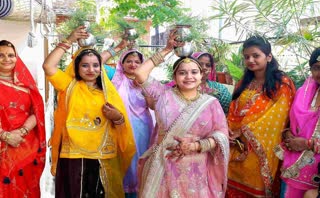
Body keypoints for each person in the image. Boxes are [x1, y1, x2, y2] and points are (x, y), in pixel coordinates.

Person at [42, 26, 136, 198]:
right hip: (73, 156)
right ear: (77, 68)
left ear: (101, 68)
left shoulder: (108, 92)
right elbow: (48, 66)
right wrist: (69, 40)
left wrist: (118, 118)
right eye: (85, 65)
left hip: (102, 157)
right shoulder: (69, 86)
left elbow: (121, 123)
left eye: (95, 65)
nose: (91, 70)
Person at [135, 30, 230, 197]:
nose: (189, 76)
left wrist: (196, 146)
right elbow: (140, 74)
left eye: (194, 72)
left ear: (201, 75)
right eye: (182, 72)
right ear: (175, 76)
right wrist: (167, 49)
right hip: (163, 167)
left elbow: (221, 135)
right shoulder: (162, 95)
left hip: (197, 171)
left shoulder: (211, 103)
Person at [226, 35, 296, 197]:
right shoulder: (243, 82)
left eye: (256, 55)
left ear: (269, 57)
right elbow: (233, 109)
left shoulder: (282, 84)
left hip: (260, 150)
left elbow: (276, 120)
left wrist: (242, 133)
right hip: (234, 146)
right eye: (246, 57)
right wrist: (227, 131)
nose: (250, 60)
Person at [0, 40, 46, 197]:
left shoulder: (27, 84)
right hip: (2, 147)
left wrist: (22, 131)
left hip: (26, 145)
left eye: (11, 55)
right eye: (1, 55)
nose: (6, 59)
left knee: (25, 188)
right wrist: (5, 136)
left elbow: (37, 111)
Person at [275, 47, 320, 198]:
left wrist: (308, 144)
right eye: (316, 68)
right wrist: (288, 133)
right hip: (293, 165)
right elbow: (293, 122)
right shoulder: (304, 91)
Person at [111, 49, 154, 198]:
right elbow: (100, 63)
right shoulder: (115, 78)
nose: (133, 64)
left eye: (137, 62)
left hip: (142, 128)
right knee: (123, 161)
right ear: (122, 63)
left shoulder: (146, 81)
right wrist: (118, 47)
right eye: (129, 61)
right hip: (119, 127)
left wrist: (144, 87)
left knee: (140, 160)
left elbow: (152, 105)